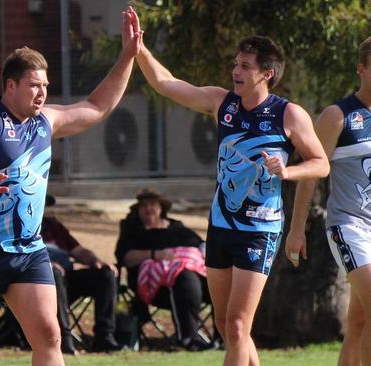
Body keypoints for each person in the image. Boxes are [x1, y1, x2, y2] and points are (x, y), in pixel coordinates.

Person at [0, 10, 140, 366]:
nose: (42, 92)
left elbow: (97, 107)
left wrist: (127, 56)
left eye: (45, 86)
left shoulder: (45, 122)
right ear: (11, 86)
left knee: (49, 335)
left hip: (28, 250)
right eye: (34, 85)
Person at [124, 7, 329, 365]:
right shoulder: (223, 103)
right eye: (235, 64)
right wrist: (139, 49)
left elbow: (321, 164)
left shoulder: (289, 114)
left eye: (245, 66)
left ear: (267, 73)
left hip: (259, 230)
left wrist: (287, 172)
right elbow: (167, 84)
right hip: (221, 225)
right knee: (226, 324)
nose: (235, 71)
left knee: (236, 325)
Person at [286, 36, 371, 366]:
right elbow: (311, 173)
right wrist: (297, 230)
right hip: (350, 227)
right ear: (361, 69)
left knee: (359, 322)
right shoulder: (338, 116)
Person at [115, 188, 213, 351]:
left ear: (161, 208)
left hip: (196, 285)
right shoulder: (133, 231)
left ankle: (223, 337)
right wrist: (154, 255)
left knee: (218, 281)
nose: (148, 209)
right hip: (153, 287)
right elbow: (125, 257)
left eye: (152, 204)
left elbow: (201, 245)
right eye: (143, 205)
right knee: (184, 276)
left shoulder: (176, 228)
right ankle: (188, 338)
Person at [41, 194, 122, 353]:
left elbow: (78, 251)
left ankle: (104, 337)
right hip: (38, 287)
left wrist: (95, 260)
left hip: (67, 281)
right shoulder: (17, 226)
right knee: (54, 274)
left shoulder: (54, 226)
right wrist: (43, 265)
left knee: (105, 274)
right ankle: (63, 339)